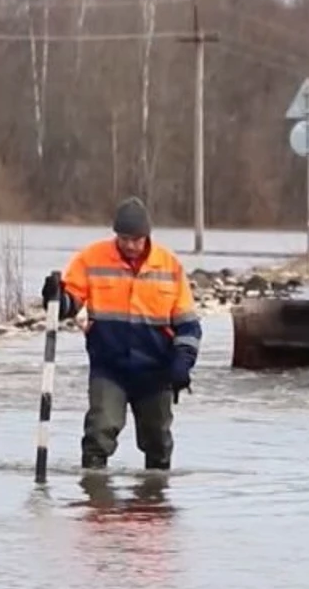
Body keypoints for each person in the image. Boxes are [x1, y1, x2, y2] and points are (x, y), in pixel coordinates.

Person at [41, 197, 201, 471]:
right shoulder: (91, 259)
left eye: (136, 239)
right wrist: (55, 297)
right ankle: (94, 494)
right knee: (99, 430)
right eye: (124, 238)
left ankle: (154, 502)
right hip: (109, 367)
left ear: (147, 237)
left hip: (155, 371)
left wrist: (182, 363)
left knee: (157, 439)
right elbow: (71, 303)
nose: (129, 245)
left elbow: (189, 326)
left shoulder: (170, 266)